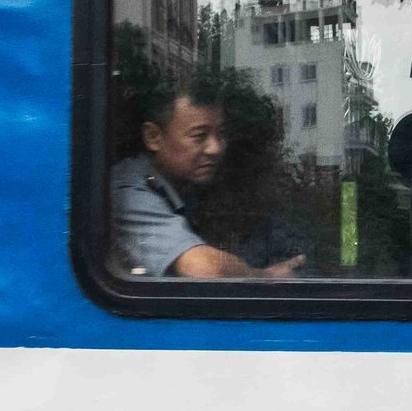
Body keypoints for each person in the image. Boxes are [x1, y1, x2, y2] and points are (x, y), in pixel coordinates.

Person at [109, 82, 305, 279]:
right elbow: (203, 267)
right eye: (199, 136)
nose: (215, 148)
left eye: (221, 134)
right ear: (153, 137)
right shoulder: (127, 192)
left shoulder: (186, 188)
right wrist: (266, 277)